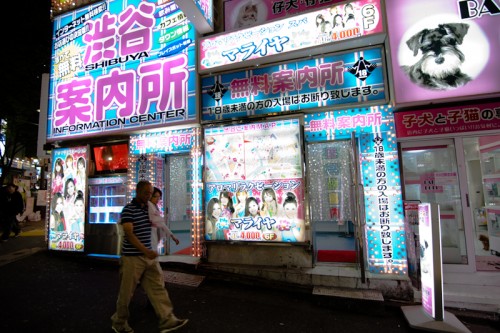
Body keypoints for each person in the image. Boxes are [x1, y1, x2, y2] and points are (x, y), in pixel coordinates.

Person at [111, 180, 188, 333]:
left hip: (149, 257)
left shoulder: (149, 208)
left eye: (151, 193)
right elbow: (129, 234)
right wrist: (146, 251)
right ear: (137, 192)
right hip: (133, 258)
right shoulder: (129, 210)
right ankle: (119, 323)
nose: (149, 196)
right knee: (127, 293)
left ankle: (168, 320)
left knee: (158, 288)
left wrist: (170, 236)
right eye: (146, 193)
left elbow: (160, 223)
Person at [149, 187, 179, 253]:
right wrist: (172, 236)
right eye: (155, 197)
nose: (157, 199)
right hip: (150, 235)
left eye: (159, 197)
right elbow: (160, 222)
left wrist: (172, 235)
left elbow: (161, 223)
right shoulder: (149, 206)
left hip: (154, 234)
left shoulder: (154, 206)